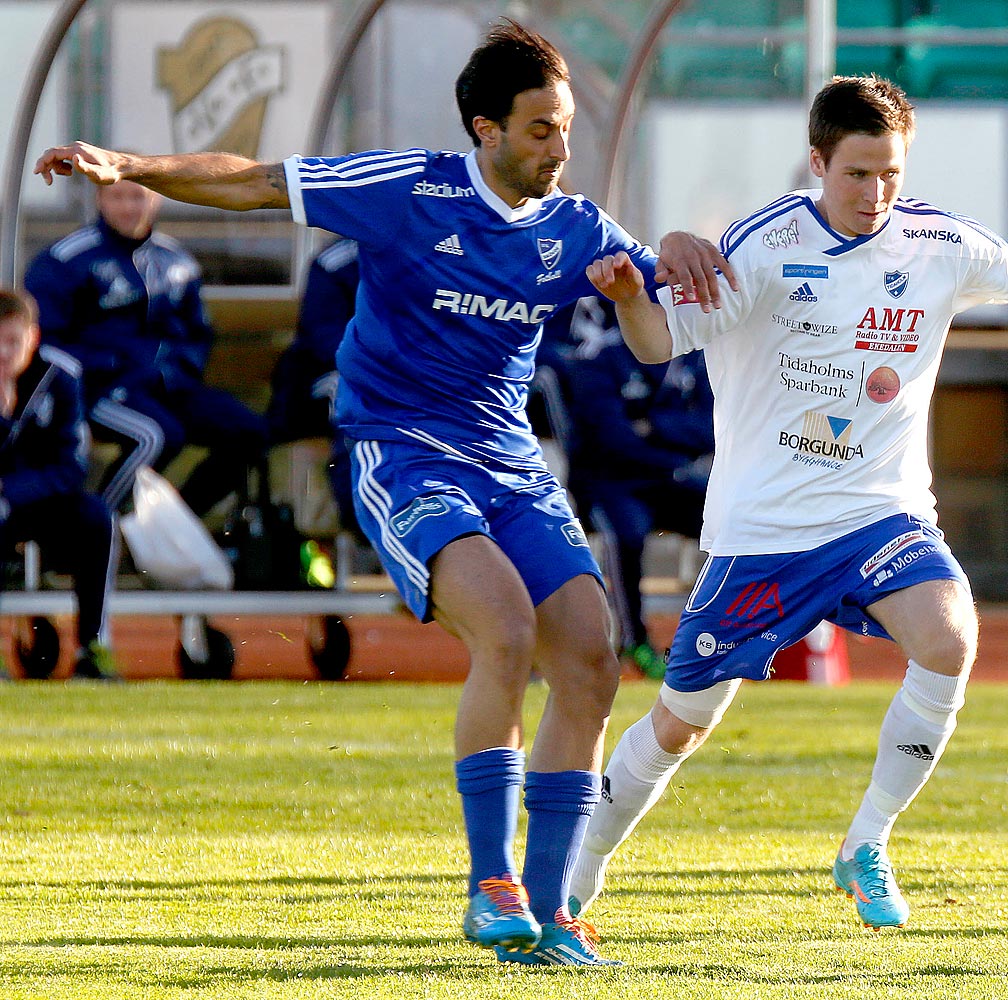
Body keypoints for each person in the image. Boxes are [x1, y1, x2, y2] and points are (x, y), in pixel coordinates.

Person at [34, 18, 728, 967]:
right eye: (540, 131)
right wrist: (130, 164)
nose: (562, 150)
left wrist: (638, 291)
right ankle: (494, 887)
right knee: (508, 630)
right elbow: (252, 180)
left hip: (508, 460)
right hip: (400, 450)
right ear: (484, 129)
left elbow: (654, 341)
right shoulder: (409, 189)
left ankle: (556, 912)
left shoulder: (576, 229)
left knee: (593, 659)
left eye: (566, 128)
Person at [574, 74, 1008, 931]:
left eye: (890, 173)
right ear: (817, 162)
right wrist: (627, 299)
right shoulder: (763, 243)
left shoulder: (939, 243)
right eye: (856, 174)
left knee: (950, 638)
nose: (876, 194)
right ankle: (577, 879)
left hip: (882, 513)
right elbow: (658, 343)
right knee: (683, 720)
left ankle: (866, 843)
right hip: (763, 532)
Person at [23, 180, 269, 518]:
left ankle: (177, 527)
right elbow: (45, 342)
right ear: (99, 199)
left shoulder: (176, 260)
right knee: (155, 436)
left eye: (138, 196)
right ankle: (94, 533)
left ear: (155, 198)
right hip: (98, 389)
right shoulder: (66, 260)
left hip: (168, 386)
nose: (128, 207)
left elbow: (198, 332)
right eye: (117, 197)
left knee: (249, 433)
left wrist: (179, 369)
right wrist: (107, 365)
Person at [564, 295, 714, 680]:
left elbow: (713, 429)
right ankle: (633, 640)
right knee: (625, 536)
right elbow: (612, 440)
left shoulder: (694, 356)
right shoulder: (600, 357)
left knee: (730, 521)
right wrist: (673, 446)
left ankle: (710, 640)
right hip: (611, 483)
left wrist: (654, 427)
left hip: (670, 478)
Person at [0, 288, 118, 681]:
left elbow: (70, 466)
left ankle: (92, 648)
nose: (3, 353)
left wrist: (11, 493)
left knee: (94, 518)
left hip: (37, 499)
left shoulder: (60, 377)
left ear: (32, 338)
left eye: (13, 341)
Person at [267, 238, 361, 537]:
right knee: (352, 405)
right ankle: (358, 516)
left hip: (411, 378)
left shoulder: (424, 251)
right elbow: (325, 337)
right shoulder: (336, 261)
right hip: (334, 372)